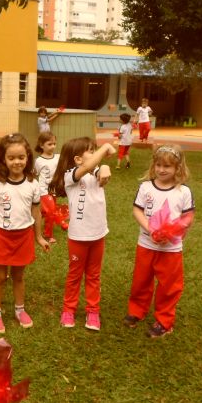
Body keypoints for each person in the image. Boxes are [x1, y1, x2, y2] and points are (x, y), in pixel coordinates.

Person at [0, 133, 50, 334]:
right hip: (1, 237)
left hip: (23, 237)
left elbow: (36, 212)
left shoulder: (33, 184)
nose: (17, 162)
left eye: (21, 157)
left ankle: (20, 310)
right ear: (3, 159)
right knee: (0, 277)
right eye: (11, 158)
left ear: (28, 157)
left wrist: (39, 237)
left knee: (19, 277)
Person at [124, 144, 195, 338]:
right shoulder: (146, 187)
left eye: (167, 166)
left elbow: (188, 217)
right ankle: (137, 310)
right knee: (141, 281)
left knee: (168, 286)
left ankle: (164, 320)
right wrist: (151, 228)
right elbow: (137, 210)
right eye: (158, 165)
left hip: (170, 249)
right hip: (146, 244)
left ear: (178, 168)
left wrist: (174, 231)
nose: (162, 170)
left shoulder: (183, 192)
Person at [49, 138, 114, 331]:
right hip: (78, 237)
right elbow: (88, 166)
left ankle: (93, 311)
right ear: (77, 159)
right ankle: (68, 309)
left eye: (95, 150)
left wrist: (105, 168)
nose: (96, 153)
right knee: (75, 275)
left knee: (94, 275)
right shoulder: (71, 176)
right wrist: (105, 147)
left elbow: (98, 170)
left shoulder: (95, 171)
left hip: (98, 234)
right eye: (91, 151)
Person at [34, 131, 60, 244]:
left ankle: (33, 222)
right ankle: (47, 235)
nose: (53, 146)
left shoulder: (58, 157)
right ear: (41, 145)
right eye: (49, 144)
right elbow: (35, 174)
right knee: (50, 211)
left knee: (49, 211)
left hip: (54, 190)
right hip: (43, 190)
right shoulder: (38, 161)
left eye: (54, 144)